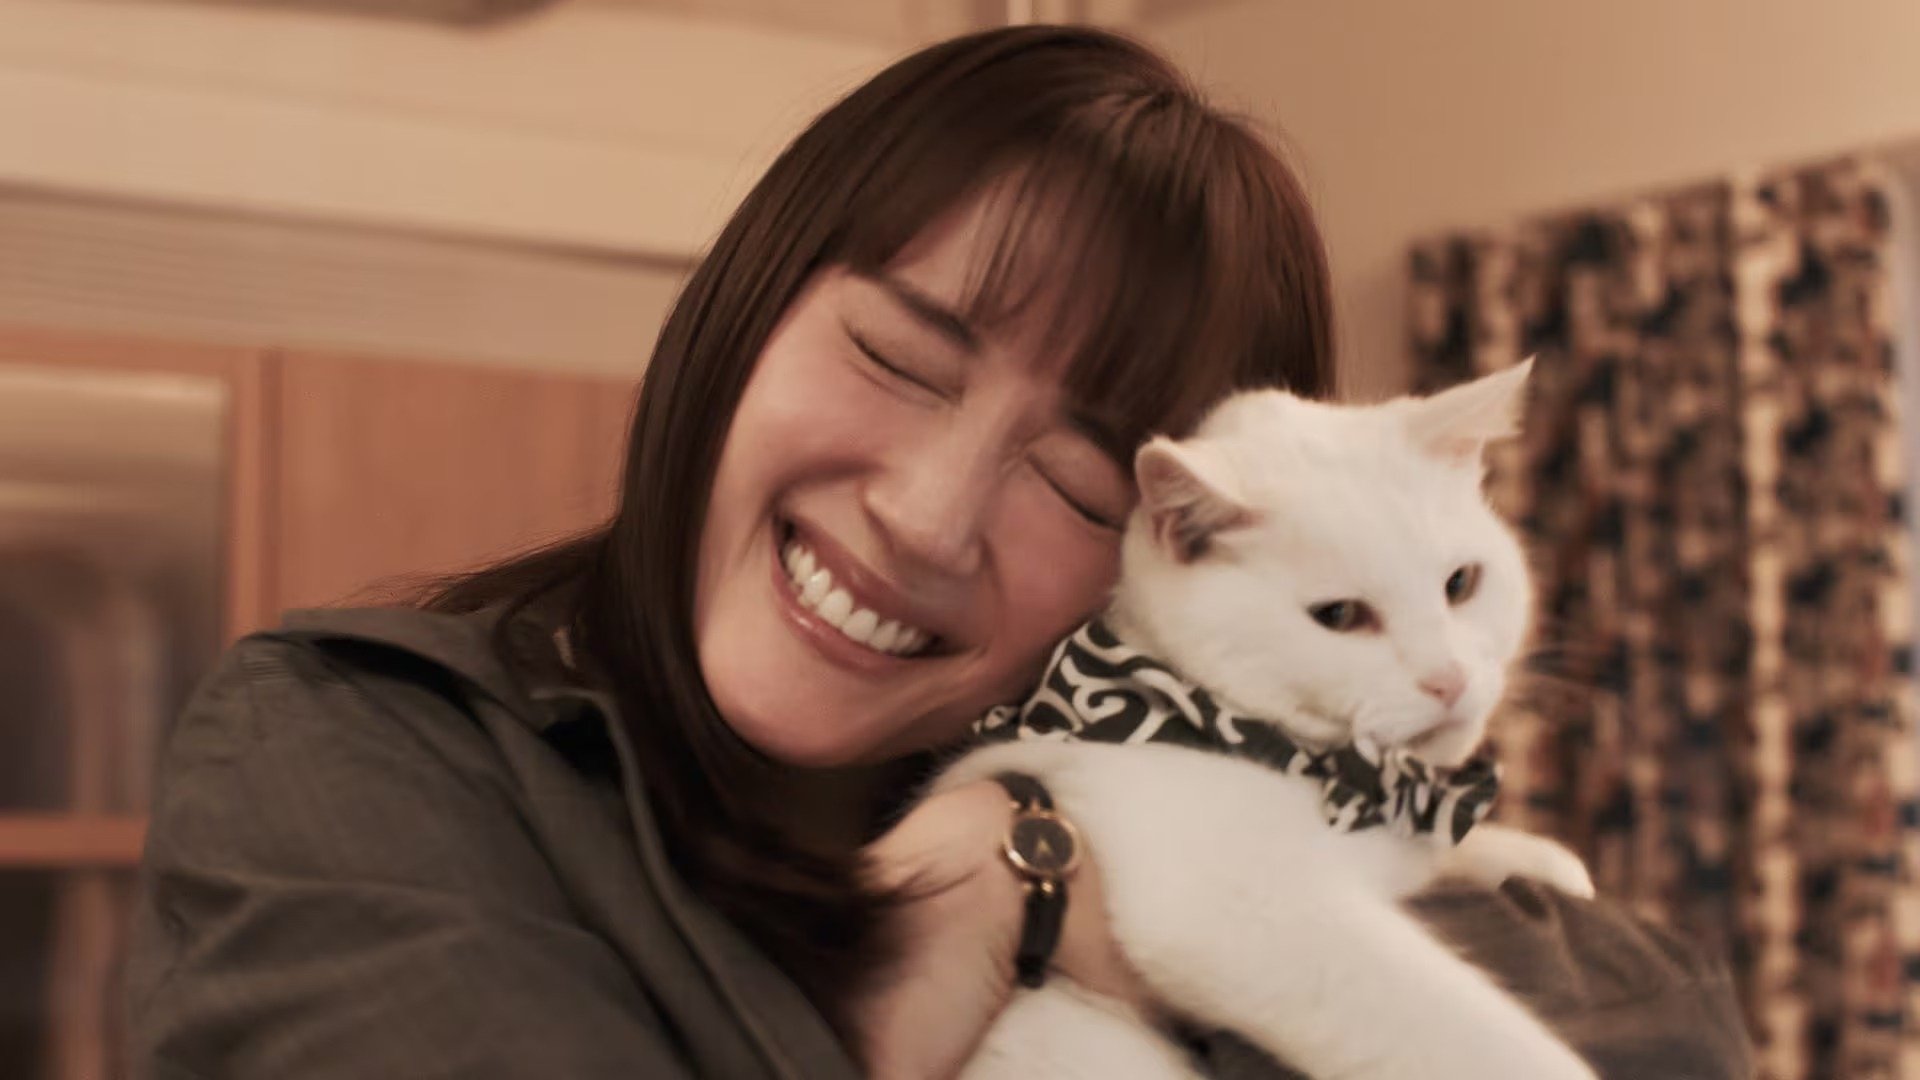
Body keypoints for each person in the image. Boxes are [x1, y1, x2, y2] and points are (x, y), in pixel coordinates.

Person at [124, 24, 1749, 1080]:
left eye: (1077, 476)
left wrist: (1037, 889)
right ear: (743, 305)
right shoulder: (357, 751)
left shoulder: (1133, 763)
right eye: (895, 358)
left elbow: (1671, 1017)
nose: (926, 513)